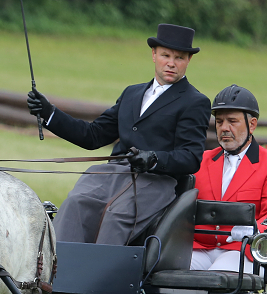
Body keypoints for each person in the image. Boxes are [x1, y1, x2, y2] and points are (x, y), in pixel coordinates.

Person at [26, 24, 211, 245]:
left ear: (188, 60)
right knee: (76, 202)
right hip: (113, 173)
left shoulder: (195, 102)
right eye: (165, 55)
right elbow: (93, 136)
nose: (171, 63)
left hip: (156, 181)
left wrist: (154, 158)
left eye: (179, 57)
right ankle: (58, 270)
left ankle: (99, 274)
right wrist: (50, 113)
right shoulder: (132, 93)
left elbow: (190, 157)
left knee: (116, 214)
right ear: (154, 55)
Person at [192, 84, 267, 272]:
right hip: (201, 247)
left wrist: (254, 231)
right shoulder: (201, 160)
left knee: (217, 276)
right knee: (169, 273)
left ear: (252, 124)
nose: (224, 128)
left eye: (232, 121)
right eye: (220, 121)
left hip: (246, 250)